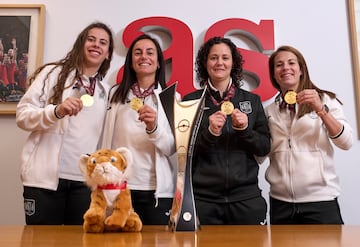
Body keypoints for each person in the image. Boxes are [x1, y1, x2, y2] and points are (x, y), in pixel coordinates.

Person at [16, 22, 114, 225]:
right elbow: (23, 116)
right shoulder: (52, 74)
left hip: (84, 183)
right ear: (81, 44)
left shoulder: (106, 92)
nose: (96, 45)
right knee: (40, 241)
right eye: (91, 39)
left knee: (80, 242)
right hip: (44, 180)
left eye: (103, 43)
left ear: (107, 54)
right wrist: (56, 111)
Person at [182, 36, 271, 225]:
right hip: (203, 201)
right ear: (205, 63)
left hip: (246, 199)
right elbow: (184, 152)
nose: (219, 63)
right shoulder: (190, 101)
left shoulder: (252, 101)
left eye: (225, 57)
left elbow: (264, 148)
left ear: (233, 63)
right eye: (213, 58)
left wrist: (245, 130)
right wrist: (210, 133)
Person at [265, 45, 353, 224]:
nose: (285, 68)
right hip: (280, 204)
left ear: (301, 70)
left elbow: (346, 142)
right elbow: (261, 152)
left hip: (321, 202)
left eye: (291, 63)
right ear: (274, 74)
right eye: (279, 65)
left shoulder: (326, 100)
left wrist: (320, 109)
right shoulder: (269, 111)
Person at [101, 34, 176, 225]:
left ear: (159, 63)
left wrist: (154, 128)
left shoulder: (171, 98)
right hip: (119, 188)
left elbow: (171, 149)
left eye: (150, 53)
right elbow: (105, 141)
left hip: (157, 192)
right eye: (138, 53)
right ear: (130, 62)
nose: (144, 57)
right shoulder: (114, 94)